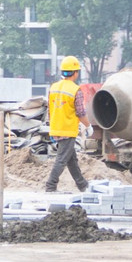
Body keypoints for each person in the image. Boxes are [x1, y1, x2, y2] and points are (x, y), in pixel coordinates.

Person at [44, 56, 90, 193]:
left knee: (71, 159)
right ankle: (50, 185)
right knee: (62, 159)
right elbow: (80, 113)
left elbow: (50, 109)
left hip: (56, 127)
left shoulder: (54, 87)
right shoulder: (76, 90)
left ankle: (82, 185)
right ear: (75, 73)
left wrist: (51, 126)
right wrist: (89, 126)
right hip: (68, 128)